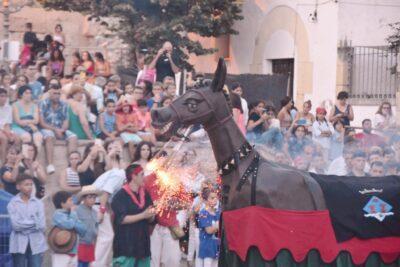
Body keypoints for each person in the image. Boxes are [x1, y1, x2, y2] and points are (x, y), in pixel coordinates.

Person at [112, 164, 155, 267]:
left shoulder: (145, 193)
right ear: (133, 176)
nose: (144, 177)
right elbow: (121, 219)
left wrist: (151, 215)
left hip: (143, 247)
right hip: (126, 247)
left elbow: (151, 219)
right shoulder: (120, 196)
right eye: (141, 174)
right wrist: (143, 215)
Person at [7, 174, 47, 267]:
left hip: (36, 243)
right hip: (18, 242)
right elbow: (16, 226)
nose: (29, 187)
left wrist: (23, 224)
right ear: (18, 186)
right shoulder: (12, 204)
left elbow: (41, 225)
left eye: (31, 184)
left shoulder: (38, 203)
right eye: (26, 184)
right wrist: (34, 223)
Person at [39, 85, 78, 174]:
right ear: (49, 94)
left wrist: (62, 130)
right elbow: (42, 123)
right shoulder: (43, 103)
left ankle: (71, 165)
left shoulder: (64, 104)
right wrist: (55, 130)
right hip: (46, 128)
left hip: (60, 129)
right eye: (54, 93)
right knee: (49, 136)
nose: (56, 95)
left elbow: (66, 121)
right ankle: (50, 165)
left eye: (58, 93)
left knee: (73, 137)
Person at [51, 191, 86, 267]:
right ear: (62, 204)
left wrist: (73, 219)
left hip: (74, 252)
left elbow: (83, 229)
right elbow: (69, 225)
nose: (73, 202)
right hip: (61, 253)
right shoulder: (58, 214)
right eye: (70, 200)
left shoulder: (72, 214)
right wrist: (73, 214)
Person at [76, 185, 101, 267]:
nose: (93, 200)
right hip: (80, 244)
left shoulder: (94, 212)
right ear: (83, 198)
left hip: (90, 244)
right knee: (80, 264)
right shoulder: (78, 210)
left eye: (94, 197)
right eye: (90, 197)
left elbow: (96, 227)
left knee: (87, 264)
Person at [198, 187, 220, 267]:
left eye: (216, 198)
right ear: (205, 200)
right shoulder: (203, 213)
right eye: (212, 198)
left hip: (216, 247)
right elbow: (209, 230)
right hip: (207, 248)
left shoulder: (218, 212)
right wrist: (219, 224)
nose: (215, 200)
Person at [0, 88, 19, 163]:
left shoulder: (9, 108)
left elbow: (7, 124)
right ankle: (2, 162)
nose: (4, 98)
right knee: (4, 138)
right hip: (1, 130)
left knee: (17, 138)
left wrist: (9, 134)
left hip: (4, 129)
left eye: (5, 96)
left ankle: (14, 162)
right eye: (1, 96)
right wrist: (7, 134)